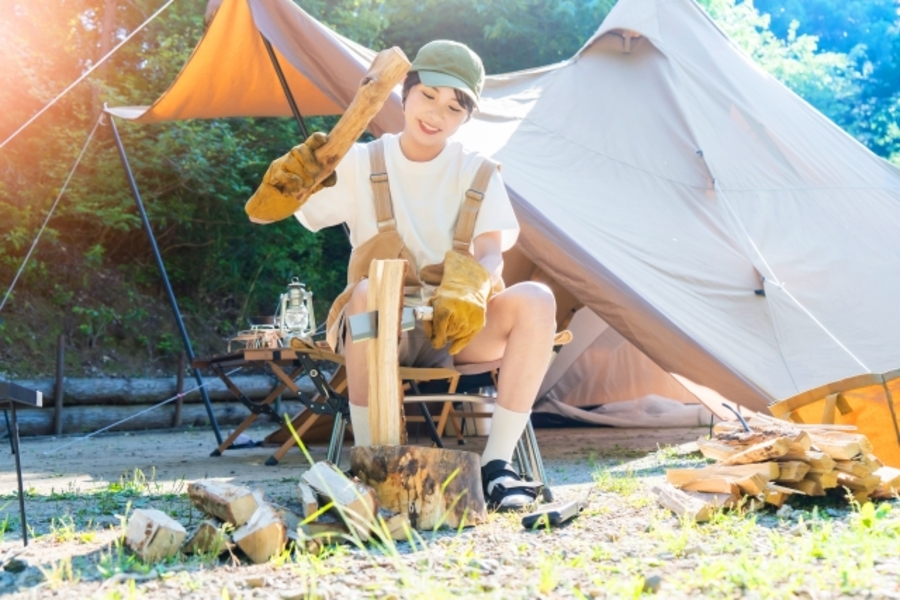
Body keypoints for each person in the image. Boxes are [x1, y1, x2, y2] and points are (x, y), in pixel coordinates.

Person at [248, 40, 556, 510]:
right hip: (377, 330)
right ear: (405, 93)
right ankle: (372, 467)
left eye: (454, 107)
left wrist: (473, 287)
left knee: (536, 298)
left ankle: (497, 468)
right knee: (369, 292)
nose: (436, 114)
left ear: (466, 118)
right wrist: (299, 181)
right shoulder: (359, 161)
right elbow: (276, 216)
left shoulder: (478, 171)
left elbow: (493, 253)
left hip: (455, 328)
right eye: (428, 96)